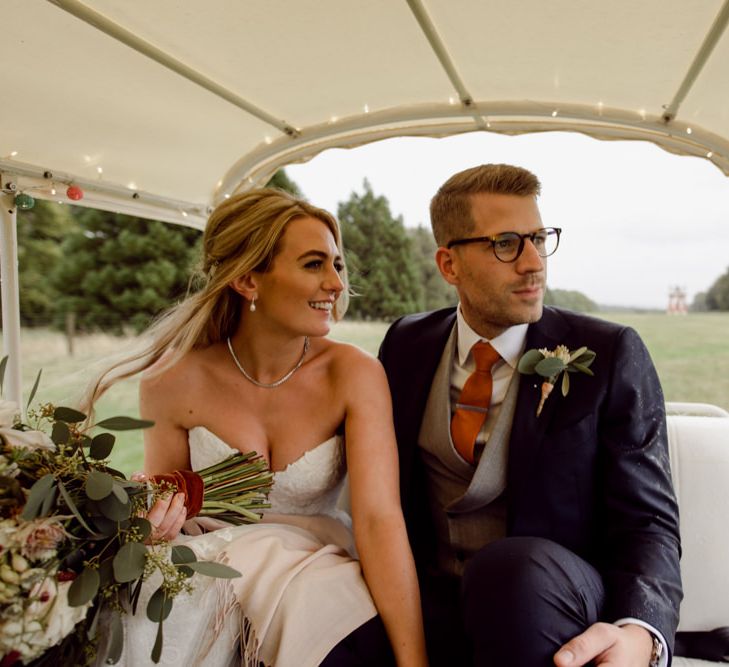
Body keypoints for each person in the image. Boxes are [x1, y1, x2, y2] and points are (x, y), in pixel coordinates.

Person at [86, 188, 427, 667]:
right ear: (248, 279)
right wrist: (154, 518)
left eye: (337, 265)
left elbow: (379, 521)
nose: (335, 283)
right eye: (313, 264)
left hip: (317, 563)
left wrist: (415, 661)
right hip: (211, 571)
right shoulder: (172, 379)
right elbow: (171, 500)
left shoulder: (354, 374)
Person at [377, 164, 683, 666]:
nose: (534, 263)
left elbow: (647, 523)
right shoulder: (406, 344)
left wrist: (642, 634)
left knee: (510, 568)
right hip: (430, 604)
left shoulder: (608, 353)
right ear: (449, 265)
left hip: (545, 601)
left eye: (540, 239)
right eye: (506, 243)